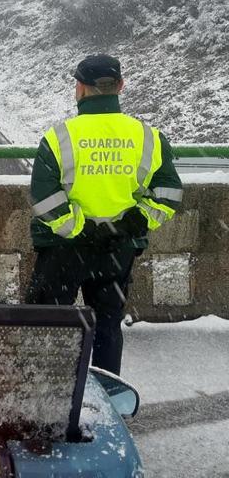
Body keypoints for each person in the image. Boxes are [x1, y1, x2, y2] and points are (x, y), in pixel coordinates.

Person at [25, 54, 182, 376]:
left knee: (48, 324)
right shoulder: (148, 137)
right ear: (120, 86)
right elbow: (168, 192)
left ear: (79, 89)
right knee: (107, 327)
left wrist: (81, 230)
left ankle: (45, 395)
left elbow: (44, 197)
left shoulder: (59, 137)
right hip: (118, 250)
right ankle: (110, 396)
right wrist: (133, 222)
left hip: (63, 251)